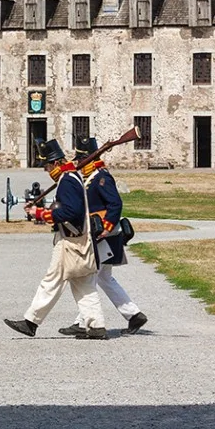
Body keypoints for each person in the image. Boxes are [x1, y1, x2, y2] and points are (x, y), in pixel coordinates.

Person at [3, 138, 107, 339]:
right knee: (84, 285)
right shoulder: (71, 177)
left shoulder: (67, 181)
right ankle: (96, 326)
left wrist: (40, 214)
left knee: (51, 281)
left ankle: (31, 322)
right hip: (78, 239)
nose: (46, 169)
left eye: (48, 165)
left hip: (70, 242)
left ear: (56, 163)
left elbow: (69, 211)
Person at [60, 136, 148, 336]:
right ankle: (134, 315)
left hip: (106, 236)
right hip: (101, 235)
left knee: (89, 276)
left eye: (83, 159)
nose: (79, 163)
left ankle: (84, 323)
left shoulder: (102, 177)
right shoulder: (90, 178)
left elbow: (115, 204)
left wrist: (106, 227)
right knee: (105, 278)